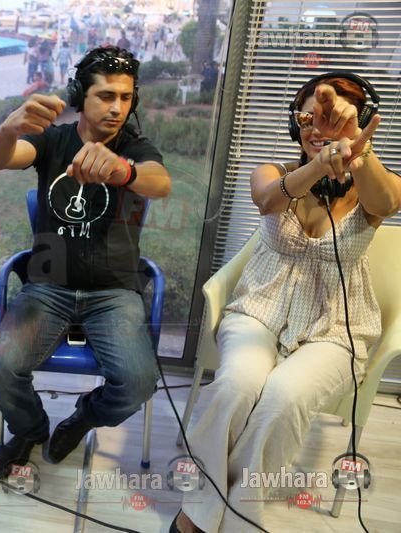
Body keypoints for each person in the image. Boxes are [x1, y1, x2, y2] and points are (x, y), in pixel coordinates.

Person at [172, 74, 401, 533]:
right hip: (260, 310)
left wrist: (356, 150)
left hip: (336, 328)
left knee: (282, 398)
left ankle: (228, 518)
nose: (319, 126)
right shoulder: (272, 172)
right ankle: (199, 513)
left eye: (334, 119)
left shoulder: (371, 185)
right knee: (236, 385)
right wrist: (319, 164)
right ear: (295, 123)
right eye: (308, 117)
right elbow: (266, 200)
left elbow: (390, 202)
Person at [0, 46, 171, 479]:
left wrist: (123, 170)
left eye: (125, 97)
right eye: (106, 96)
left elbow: (160, 183)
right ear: (79, 96)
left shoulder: (135, 147)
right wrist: (9, 128)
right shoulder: (54, 141)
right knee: (2, 365)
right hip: (48, 287)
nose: (117, 107)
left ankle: (84, 417)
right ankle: (30, 428)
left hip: (113, 292)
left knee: (138, 382)